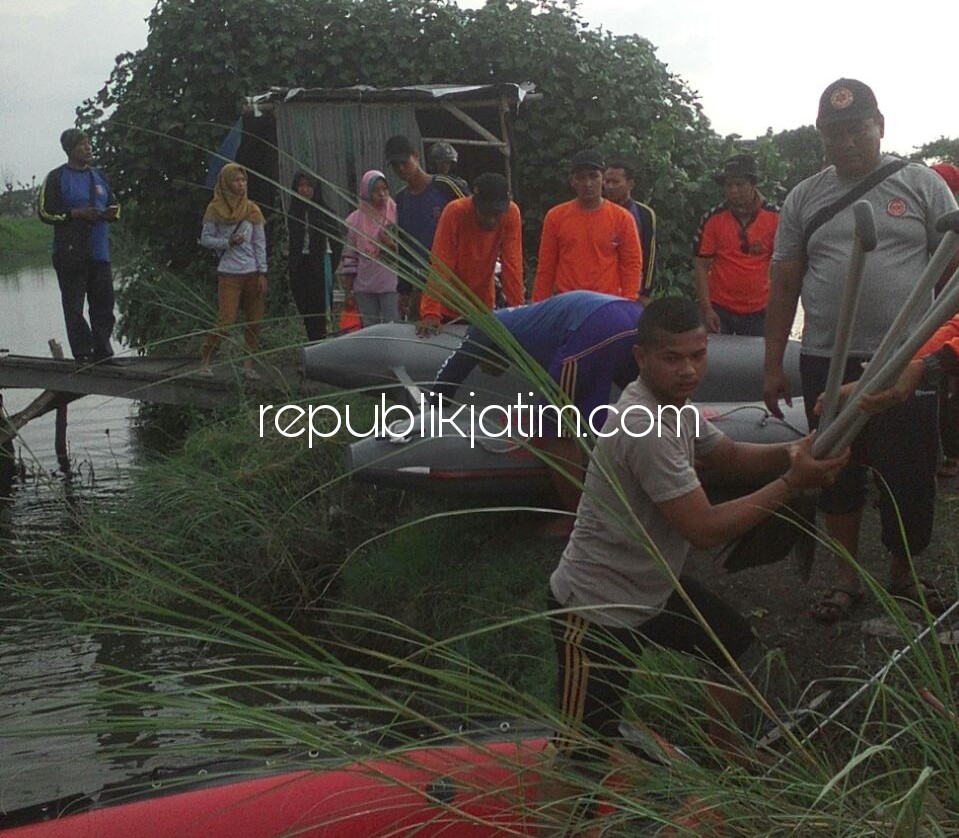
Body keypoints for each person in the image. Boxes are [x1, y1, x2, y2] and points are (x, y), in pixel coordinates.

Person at [549, 297, 848, 765]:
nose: (688, 369)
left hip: (651, 588)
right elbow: (704, 529)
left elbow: (728, 456)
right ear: (641, 358)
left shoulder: (678, 408)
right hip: (595, 607)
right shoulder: (642, 425)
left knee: (734, 647)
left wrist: (796, 450)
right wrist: (793, 482)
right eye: (672, 358)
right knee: (581, 752)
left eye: (698, 354)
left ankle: (723, 761)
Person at [763, 78, 958, 622]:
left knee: (910, 470)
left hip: (906, 358)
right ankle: (845, 578)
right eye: (834, 133)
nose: (845, 143)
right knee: (832, 469)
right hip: (827, 357)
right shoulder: (805, 197)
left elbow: (949, 269)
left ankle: (902, 573)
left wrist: (938, 353)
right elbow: (783, 283)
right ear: (821, 136)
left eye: (856, 130)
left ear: (880, 127)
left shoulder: (921, 184)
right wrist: (771, 362)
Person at [432, 291, 642, 513]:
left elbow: (448, 376)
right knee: (646, 404)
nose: (486, 370)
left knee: (555, 427)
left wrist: (433, 411)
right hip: (631, 314)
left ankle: (577, 518)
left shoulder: (486, 326)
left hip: (595, 327)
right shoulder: (527, 318)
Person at [38, 128, 120, 364]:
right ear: (70, 149)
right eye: (83, 144)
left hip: (99, 252)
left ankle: (103, 351)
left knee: (104, 304)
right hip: (70, 253)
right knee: (74, 306)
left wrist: (111, 214)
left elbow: (115, 204)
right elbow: (45, 213)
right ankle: (83, 352)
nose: (88, 148)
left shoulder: (100, 177)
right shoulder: (56, 178)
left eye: (89, 143)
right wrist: (75, 214)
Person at [418, 172, 524, 334]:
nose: (491, 220)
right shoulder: (455, 212)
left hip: (483, 308)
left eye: (496, 214)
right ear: (474, 203)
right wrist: (431, 313)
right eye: (485, 213)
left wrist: (517, 313)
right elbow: (441, 264)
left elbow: (512, 266)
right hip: (447, 308)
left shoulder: (511, 214)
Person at [532, 150, 642, 302]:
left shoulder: (623, 218)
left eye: (593, 176)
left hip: (606, 303)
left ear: (602, 178)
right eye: (581, 177)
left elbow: (631, 265)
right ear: (572, 181)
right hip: (566, 303)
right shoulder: (555, 217)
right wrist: (539, 306)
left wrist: (629, 302)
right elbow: (546, 267)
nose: (588, 184)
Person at [693, 153, 779, 336]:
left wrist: (778, 310)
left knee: (756, 362)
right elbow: (700, 266)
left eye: (739, 184)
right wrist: (706, 309)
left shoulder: (776, 218)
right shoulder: (713, 219)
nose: (733, 190)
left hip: (760, 311)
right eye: (729, 185)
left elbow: (786, 268)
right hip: (718, 309)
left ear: (754, 184)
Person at [385, 135, 469, 320]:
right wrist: (404, 289)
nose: (400, 169)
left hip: (456, 280)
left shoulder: (447, 187)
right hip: (422, 283)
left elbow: (472, 225)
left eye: (404, 162)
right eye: (394, 165)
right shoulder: (402, 199)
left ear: (415, 156)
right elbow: (404, 247)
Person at [198, 163, 268, 380]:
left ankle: (248, 365)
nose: (241, 184)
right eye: (236, 180)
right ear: (227, 183)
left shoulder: (252, 209)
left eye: (243, 180)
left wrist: (262, 272)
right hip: (229, 273)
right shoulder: (214, 209)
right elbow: (206, 239)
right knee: (225, 321)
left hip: (252, 271)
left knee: (254, 321)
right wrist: (228, 242)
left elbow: (259, 243)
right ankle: (206, 358)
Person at [337, 170, 399, 328]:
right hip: (364, 285)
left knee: (393, 325)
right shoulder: (355, 221)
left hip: (391, 284)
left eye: (384, 189)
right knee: (369, 328)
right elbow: (350, 257)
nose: (382, 194)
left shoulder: (396, 215)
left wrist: (390, 244)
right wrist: (348, 291)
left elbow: (405, 250)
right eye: (376, 190)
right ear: (366, 193)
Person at [286, 171, 341, 342]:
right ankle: (312, 345)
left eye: (308, 186)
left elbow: (337, 241)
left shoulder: (325, 212)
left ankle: (324, 348)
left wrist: (330, 266)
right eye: (300, 186)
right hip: (300, 265)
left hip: (320, 264)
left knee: (322, 311)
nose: (304, 190)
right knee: (306, 309)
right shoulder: (294, 212)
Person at [603, 161, 657, 304]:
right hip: (602, 285)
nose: (610, 187)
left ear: (630, 184)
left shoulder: (643, 213)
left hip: (632, 287)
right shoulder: (596, 210)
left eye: (615, 182)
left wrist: (645, 291)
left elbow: (649, 254)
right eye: (606, 181)